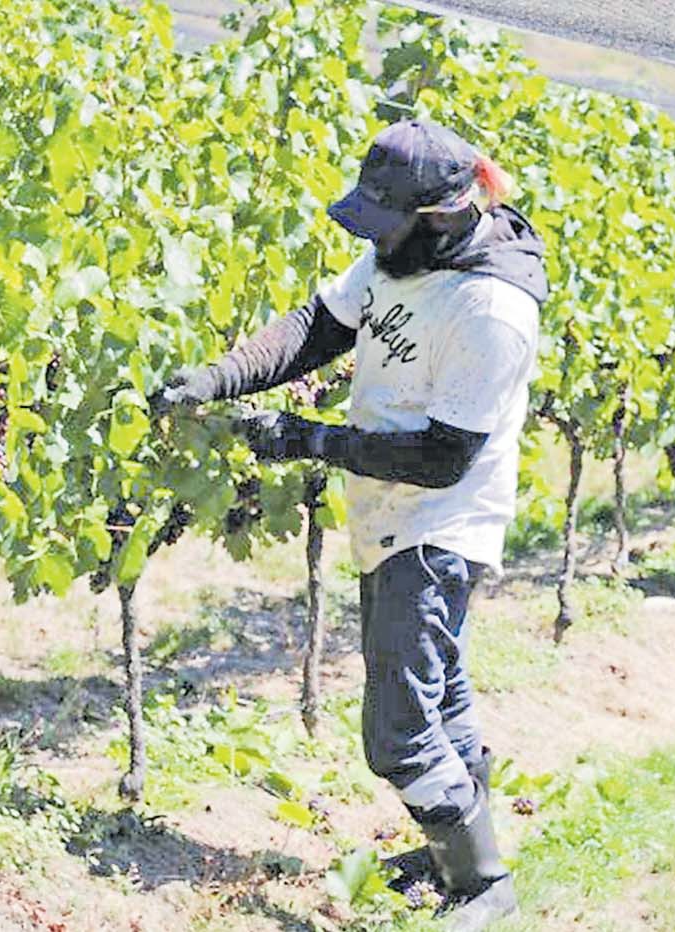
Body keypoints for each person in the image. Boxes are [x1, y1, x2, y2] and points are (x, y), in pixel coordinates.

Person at [154, 120, 544, 931]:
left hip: (440, 522)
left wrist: (306, 439)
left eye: (384, 221)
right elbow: (317, 327)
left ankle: (484, 888)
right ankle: (455, 857)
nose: (372, 238)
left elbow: (442, 458)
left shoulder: (490, 310)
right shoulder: (404, 253)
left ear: (438, 215)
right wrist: (218, 379)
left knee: (398, 732)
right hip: (394, 514)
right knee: (440, 694)